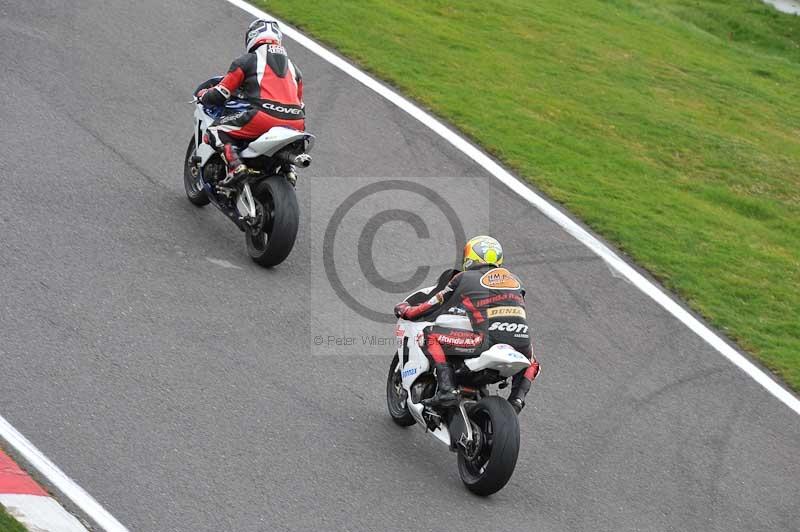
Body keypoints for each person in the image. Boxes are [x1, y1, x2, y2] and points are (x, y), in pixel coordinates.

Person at [394, 236, 540, 413]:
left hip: (485, 341)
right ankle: (517, 400)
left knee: (430, 335)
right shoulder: (516, 281)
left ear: (470, 257)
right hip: (522, 343)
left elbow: (433, 303)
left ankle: (446, 389)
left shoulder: (463, 278)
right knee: (531, 363)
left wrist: (408, 311)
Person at [197, 19, 305, 185]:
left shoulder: (246, 61)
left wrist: (203, 95)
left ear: (252, 37)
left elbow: (220, 94)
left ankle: (235, 166)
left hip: (263, 117)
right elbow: (300, 104)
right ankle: (289, 170)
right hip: (296, 123)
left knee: (215, 130)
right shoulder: (295, 69)